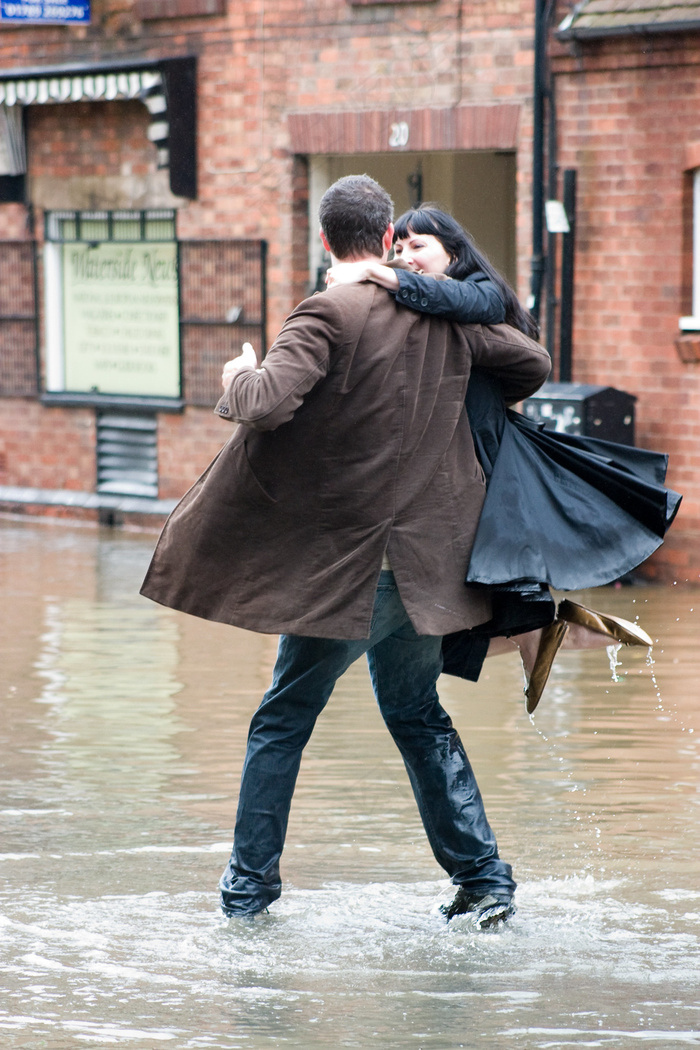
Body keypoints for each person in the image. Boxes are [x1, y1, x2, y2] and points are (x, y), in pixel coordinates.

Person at [141, 174, 553, 928]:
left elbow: (264, 405)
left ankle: (247, 894)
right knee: (415, 711)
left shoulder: (328, 311)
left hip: (354, 574)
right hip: (428, 571)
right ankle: (485, 880)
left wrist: (236, 374)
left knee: (282, 718)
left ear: (325, 241)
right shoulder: (445, 319)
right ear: (389, 236)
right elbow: (531, 365)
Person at [326, 204, 677, 711]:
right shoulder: (417, 305)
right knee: (435, 628)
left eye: (419, 245)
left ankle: (551, 634)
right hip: (457, 472)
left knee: (436, 625)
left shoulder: (479, 294)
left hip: (487, 467)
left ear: (456, 251)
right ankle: (553, 635)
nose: (406, 256)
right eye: (398, 248)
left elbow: (475, 302)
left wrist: (378, 272)